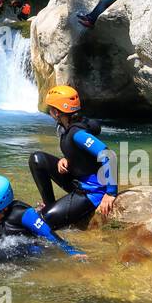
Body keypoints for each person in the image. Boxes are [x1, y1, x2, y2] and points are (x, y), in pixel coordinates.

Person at [28, 85, 117, 231]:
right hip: (78, 179)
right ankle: (50, 205)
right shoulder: (68, 125)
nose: (49, 112)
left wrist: (110, 193)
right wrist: (67, 159)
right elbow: (82, 152)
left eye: (50, 109)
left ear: (56, 112)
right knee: (37, 159)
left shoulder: (78, 134)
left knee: (40, 222)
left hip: (91, 192)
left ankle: (49, 214)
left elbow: (109, 156)